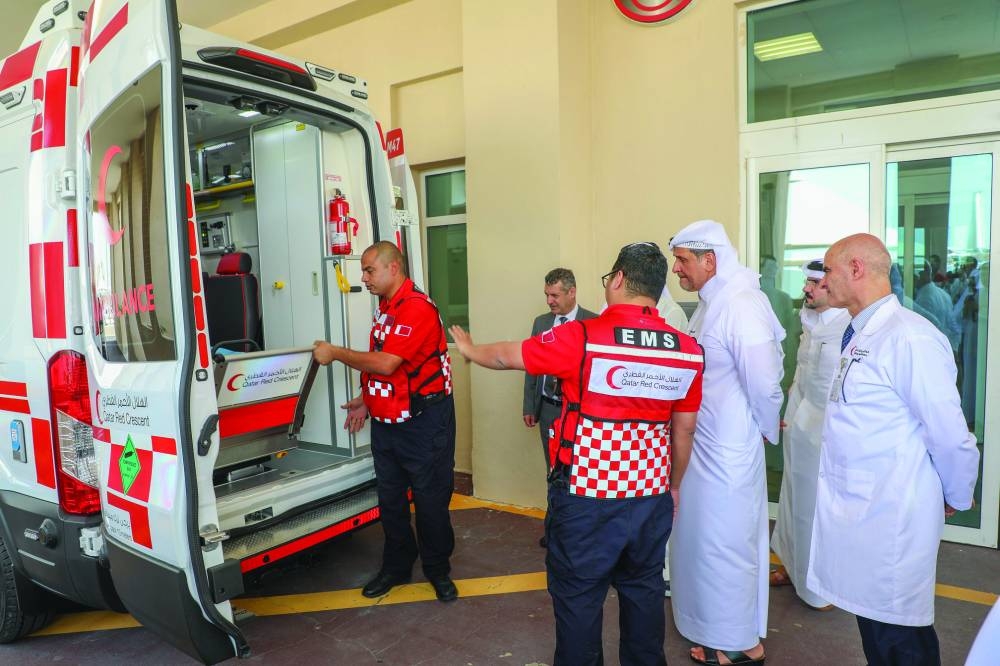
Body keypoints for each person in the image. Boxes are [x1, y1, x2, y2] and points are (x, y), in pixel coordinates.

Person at [450, 242, 703, 666]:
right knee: (643, 594)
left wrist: (472, 351)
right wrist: (673, 486)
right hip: (649, 497)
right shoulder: (686, 349)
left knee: (579, 600)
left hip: (587, 497)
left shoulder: (583, 336)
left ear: (618, 280)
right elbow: (685, 429)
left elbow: (510, 355)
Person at [808, 233, 980, 666]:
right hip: (867, 510)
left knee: (901, 640)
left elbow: (950, 435)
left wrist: (955, 496)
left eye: (829, 269)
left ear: (856, 269)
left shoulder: (910, 338)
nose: (822, 280)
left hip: (893, 514)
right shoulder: (861, 331)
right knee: (877, 632)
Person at [313, 241, 459, 603]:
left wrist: (334, 352)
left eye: (369, 270)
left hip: (425, 423)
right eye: (363, 271)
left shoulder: (416, 309)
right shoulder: (387, 306)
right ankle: (397, 565)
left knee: (429, 502)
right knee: (390, 500)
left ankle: (438, 569)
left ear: (394, 268)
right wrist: (366, 398)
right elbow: (387, 362)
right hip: (388, 421)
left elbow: (387, 363)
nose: (364, 278)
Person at [668, 219, 784, 666]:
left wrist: (761, 430)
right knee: (705, 542)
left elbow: (765, 382)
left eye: (682, 261)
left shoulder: (741, 304)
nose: (677, 270)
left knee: (728, 543)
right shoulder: (711, 303)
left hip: (729, 449)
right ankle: (716, 629)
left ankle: (741, 643)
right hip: (703, 448)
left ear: (709, 260)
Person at [769, 258, 848, 611]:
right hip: (798, 421)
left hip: (826, 430)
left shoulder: (850, 327)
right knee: (792, 498)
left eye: (815, 284)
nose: (806, 289)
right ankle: (791, 564)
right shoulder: (809, 319)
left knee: (816, 505)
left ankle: (818, 584)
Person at [523, 269, 597, 470]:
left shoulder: (593, 322)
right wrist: (529, 406)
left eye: (554, 295)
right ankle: (553, 502)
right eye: (547, 295)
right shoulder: (541, 323)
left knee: (578, 468)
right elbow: (532, 366)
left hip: (578, 410)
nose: (549, 301)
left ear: (571, 292)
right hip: (548, 409)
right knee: (552, 468)